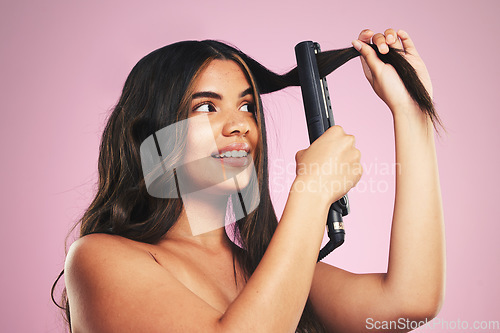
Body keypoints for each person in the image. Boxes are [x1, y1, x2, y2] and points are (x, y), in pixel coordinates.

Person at [55, 28, 445, 332]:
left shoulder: (265, 269)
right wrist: (311, 193)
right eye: (206, 107)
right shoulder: (98, 259)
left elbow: (408, 302)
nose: (240, 124)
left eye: (247, 106)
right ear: (151, 134)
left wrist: (412, 112)